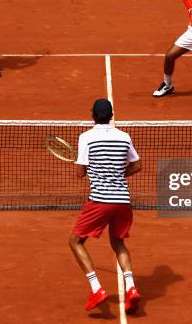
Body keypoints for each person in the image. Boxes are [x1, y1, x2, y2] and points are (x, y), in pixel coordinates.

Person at [68, 99, 142, 314]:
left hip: (100, 201)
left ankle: (96, 288)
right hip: (122, 202)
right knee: (118, 243)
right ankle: (131, 288)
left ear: (93, 115)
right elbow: (137, 165)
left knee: (75, 242)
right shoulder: (124, 137)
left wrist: (82, 164)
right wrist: (119, 174)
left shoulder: (86, 138)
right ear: (111, 115)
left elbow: (80, 173)